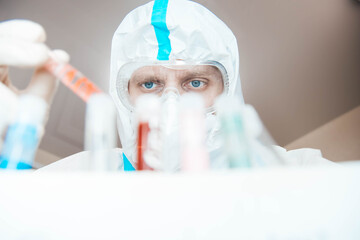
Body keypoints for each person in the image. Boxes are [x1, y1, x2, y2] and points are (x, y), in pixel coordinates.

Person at [0, 0, 333, 171]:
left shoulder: (290, 169)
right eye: (149, 83)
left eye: (196, 81)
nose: (171, 103)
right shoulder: (83, 175)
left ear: (228, 90)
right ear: (122, 94)